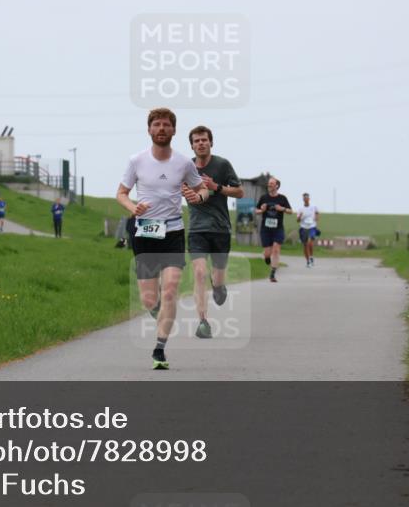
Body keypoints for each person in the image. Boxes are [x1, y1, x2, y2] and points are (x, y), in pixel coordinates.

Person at [117, 108, 208, 370]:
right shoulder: (136, 160)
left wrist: (198, 197)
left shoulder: (183, 163)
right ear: (149, 130)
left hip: (173, 232)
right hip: (145, 230)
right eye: (156, 124)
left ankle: (160, 349)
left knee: (170, 290)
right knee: (149, 299)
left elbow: (201, 189)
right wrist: (131, 207)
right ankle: (158, 312)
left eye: (166, 125)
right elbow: (121, 193)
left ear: (173, 130)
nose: (161, 129)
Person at [185, 125, 242, 339]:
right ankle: (203, 322)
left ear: (211, 142)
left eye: (204, 140)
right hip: (197, 229)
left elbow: (239, 191)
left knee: (217, 277)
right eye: (196, 140)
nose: (200, 143)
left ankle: (219, 287)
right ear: (191, 145)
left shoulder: (222, 165)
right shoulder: (186, 167)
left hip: (220, 229)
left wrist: (217, 187)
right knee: (199, 273)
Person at [256, 177, 293, 283]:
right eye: (269, 184)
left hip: (278, 229)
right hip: (266, 229)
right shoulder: (264, 198)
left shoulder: (282, 198)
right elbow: (256, 210)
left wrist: (282, 209)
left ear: (277, 186)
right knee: (267, 253)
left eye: (272, 183)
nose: (269, 185)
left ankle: (272, 273)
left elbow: (290, 211)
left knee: (276, 249)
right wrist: (261, 210)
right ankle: (267, 257)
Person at [297, 192, 319, 267]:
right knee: (305, 245)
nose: (306, 199)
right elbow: (297, 220)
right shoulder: (300, 209)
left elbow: (317, 213)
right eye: (304, 198)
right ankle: (308, 261)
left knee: (310, 243)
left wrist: (316, 218)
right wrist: (299, 217)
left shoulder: (313, 207)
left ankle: (311, 257)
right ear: (303, 199)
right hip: (303, 228)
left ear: (309, 198)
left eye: (307, 197)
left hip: (312, 227)